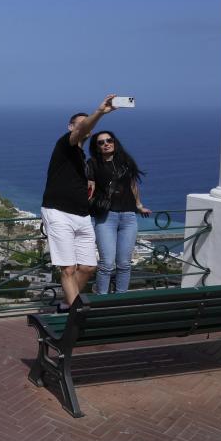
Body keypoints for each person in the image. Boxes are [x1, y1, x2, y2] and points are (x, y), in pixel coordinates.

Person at [40, 95, 117, 309]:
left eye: (86, 123)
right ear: (71, 127)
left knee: (88, 267)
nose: (84, 126)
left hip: (82, 215)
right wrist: (100, 112)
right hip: (58, 212)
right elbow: (79, 132)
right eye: (80, 123)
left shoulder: (82, 158)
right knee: (68, 269)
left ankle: (67, 306)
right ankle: (76, 317)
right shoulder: (65, 144)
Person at [87, 130, 151, 294]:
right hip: (106, 218)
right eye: (101, 142)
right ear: (97, 146)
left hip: (128, 217)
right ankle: (102, 300)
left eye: (109, 140)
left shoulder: (125, 161)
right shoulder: (93, 163)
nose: (106, 144)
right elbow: (89, 188)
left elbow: (133, 185)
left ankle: (120, 299)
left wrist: (139, 204)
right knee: (107, 263)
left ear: (115, 142)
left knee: (124, 264)